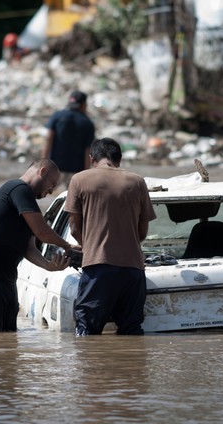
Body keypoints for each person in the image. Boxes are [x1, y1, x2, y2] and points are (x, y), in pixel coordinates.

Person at [0, 158, 80, 332]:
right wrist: (67, 245)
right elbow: (42, 231)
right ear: (41, 172)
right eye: (51, 184)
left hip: (6, 277)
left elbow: (29, 248)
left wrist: (48, 266)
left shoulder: (26, 203)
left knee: (8, 336)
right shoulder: (18, 188)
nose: (50, 191)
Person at [65, 137, 157, 336]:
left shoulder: (79, 180)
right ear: (119, 159)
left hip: (98, 269)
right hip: (133, 270)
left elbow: (74, 229)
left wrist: (91, 248)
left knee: (87, 332)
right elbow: (142, 231)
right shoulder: (137, 181)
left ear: (91, 159)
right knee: (132, 331)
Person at [41, 90, 95, 189]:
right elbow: (88, 150)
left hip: (55, 167)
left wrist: (43, 162)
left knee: (47, 193)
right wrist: (86, 172)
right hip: (76, 170)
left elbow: (48, 138)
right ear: (83, 105)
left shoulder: (57, 116)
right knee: (72, 199)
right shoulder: (87, 123)